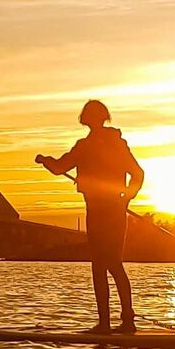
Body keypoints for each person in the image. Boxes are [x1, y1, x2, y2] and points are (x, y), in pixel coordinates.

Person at [36, 99, 146, 334]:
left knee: (104, 265)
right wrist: (127, 196)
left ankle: (112, 323)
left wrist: (45, 161)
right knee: (111, 265)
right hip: (107, 210)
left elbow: (58, 167)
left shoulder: (89, 146)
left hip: (105, 211)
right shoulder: (103, 145)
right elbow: (137, 174)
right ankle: (123, 321)